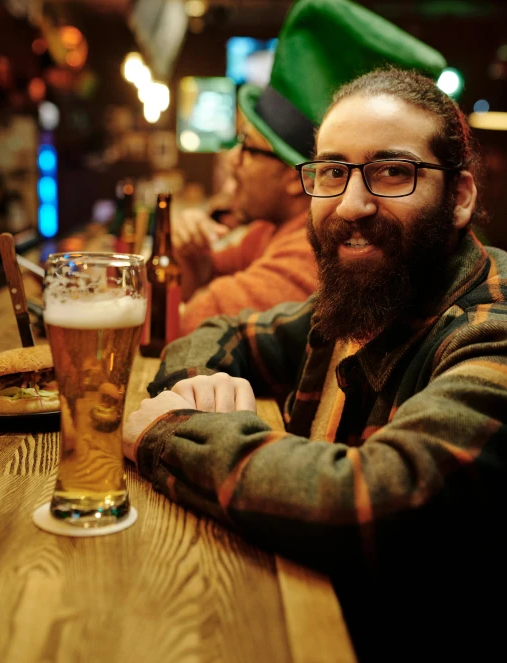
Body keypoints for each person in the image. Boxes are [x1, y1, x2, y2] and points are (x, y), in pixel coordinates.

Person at [124, 67, 507, 661]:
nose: (350, 205)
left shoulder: (492, 331)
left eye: (391, 172)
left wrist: (170, 430)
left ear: (458, 197)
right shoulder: (365, 299)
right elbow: (218, 334)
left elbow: (371, 501)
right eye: (331, 173)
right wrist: (202, 391)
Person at [174, 0, 447, 335]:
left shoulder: (314, 255)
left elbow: (175, 327)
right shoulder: (271, 232)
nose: (352, 207)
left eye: (391, 172)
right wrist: (190, 259)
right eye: (337, 170)